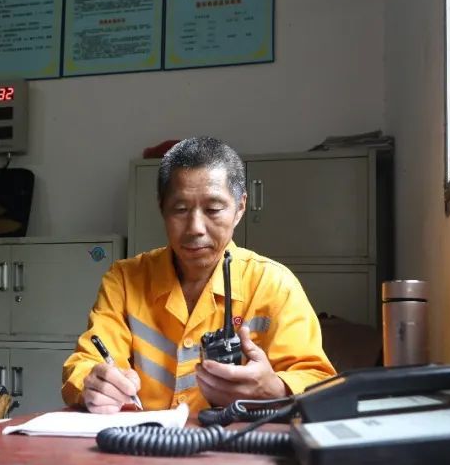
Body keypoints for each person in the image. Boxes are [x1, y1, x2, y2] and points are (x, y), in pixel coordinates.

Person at [61, 136, 335, 414]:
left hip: (235, 449)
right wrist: (91, 385)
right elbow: (85, 362)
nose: (195, 228)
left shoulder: (274, 285)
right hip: (143, 447)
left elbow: (319, 380)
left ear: (240, 208)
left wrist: (275, 388)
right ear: (161, 208)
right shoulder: (124, 279)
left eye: (213, 209)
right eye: (180, 210)